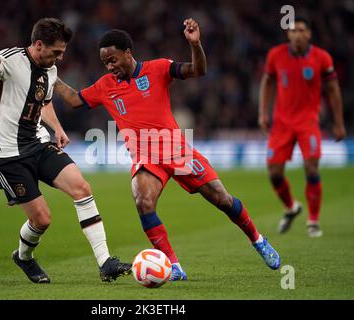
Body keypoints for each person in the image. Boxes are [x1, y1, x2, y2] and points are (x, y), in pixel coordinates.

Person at [54, 18, 281, 281]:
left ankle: (258, 239)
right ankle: (173, 266)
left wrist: (195, 45)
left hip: (177, 151)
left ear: (128, 52)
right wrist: (51, 75)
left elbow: (198, 70)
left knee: (223, 199)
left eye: (113, 59)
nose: (110, 66)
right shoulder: (106, 85)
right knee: (143, 201)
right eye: (105, 62)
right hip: (146, 157)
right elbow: (73, 100)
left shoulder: (158, 68)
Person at [0, 18, 131, 284]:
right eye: (56, 52)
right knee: (42, 219)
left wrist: (58, 129)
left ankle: (105, 262)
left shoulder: (49, 70)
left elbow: (45, 102)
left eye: (62, 52)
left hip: (37, 143)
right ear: (38, 44)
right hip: (6, 155)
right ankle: (24, 257)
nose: (60, 58)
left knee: (82, 188)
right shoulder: (7, 59)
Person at [259, 17, 346, 237]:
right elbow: (267, 81)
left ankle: (313, 221)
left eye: (301, 30)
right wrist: (263, 112)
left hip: (308, 122)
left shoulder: (321, 57)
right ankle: (291, 207)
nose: (297, 34)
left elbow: (333, 89)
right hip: (282, 123)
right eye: (293, 31)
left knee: (311, 168)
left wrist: (339, 123)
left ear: (308, 34)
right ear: (288, 35)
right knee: (274, 173)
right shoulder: (275, 55)